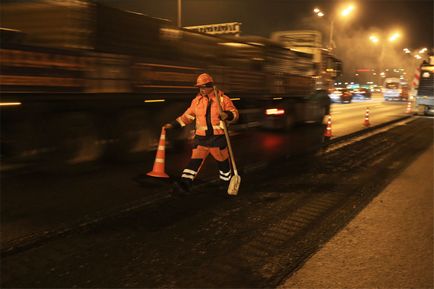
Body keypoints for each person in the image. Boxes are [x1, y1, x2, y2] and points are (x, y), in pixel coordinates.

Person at [164, 73, 239, 193]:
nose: (202, 89)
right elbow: (186, 117)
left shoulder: (223, 99)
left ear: (211, 86)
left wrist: (228, 115)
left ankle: (226, 183)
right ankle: (184, 183)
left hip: (217, 138)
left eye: (204, 87)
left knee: (223, 163)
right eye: (200, 87)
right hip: (201, 139)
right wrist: (173, 124)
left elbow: (235, 113)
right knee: (194, 161)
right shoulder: (196, 102)